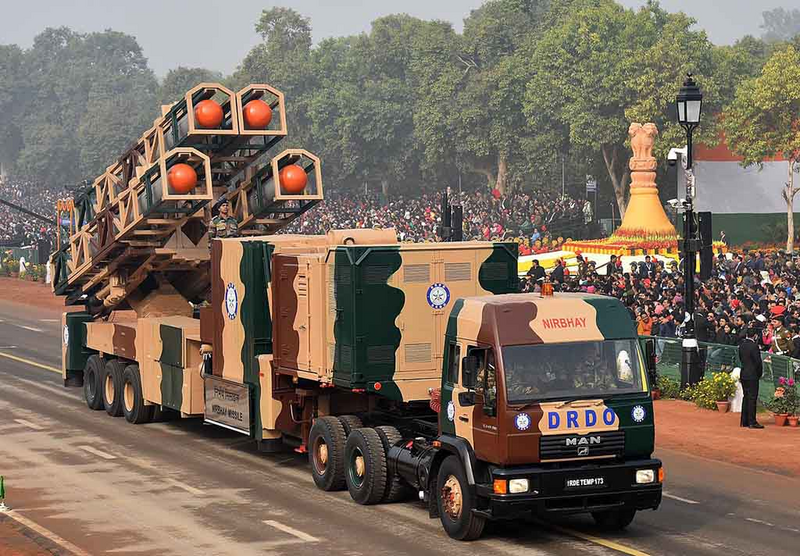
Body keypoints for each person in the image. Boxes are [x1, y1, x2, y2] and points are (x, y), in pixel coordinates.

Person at [738, 327, 764, 429]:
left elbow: (741, 358)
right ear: (755, 336)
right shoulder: (754, 346)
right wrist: (759, 374)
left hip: (744, 373)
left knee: (746, 397)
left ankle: (744, 421)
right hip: (752, 375)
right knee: (752, 398)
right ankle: (752, 422)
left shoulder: (742, 345)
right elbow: (758, 362)